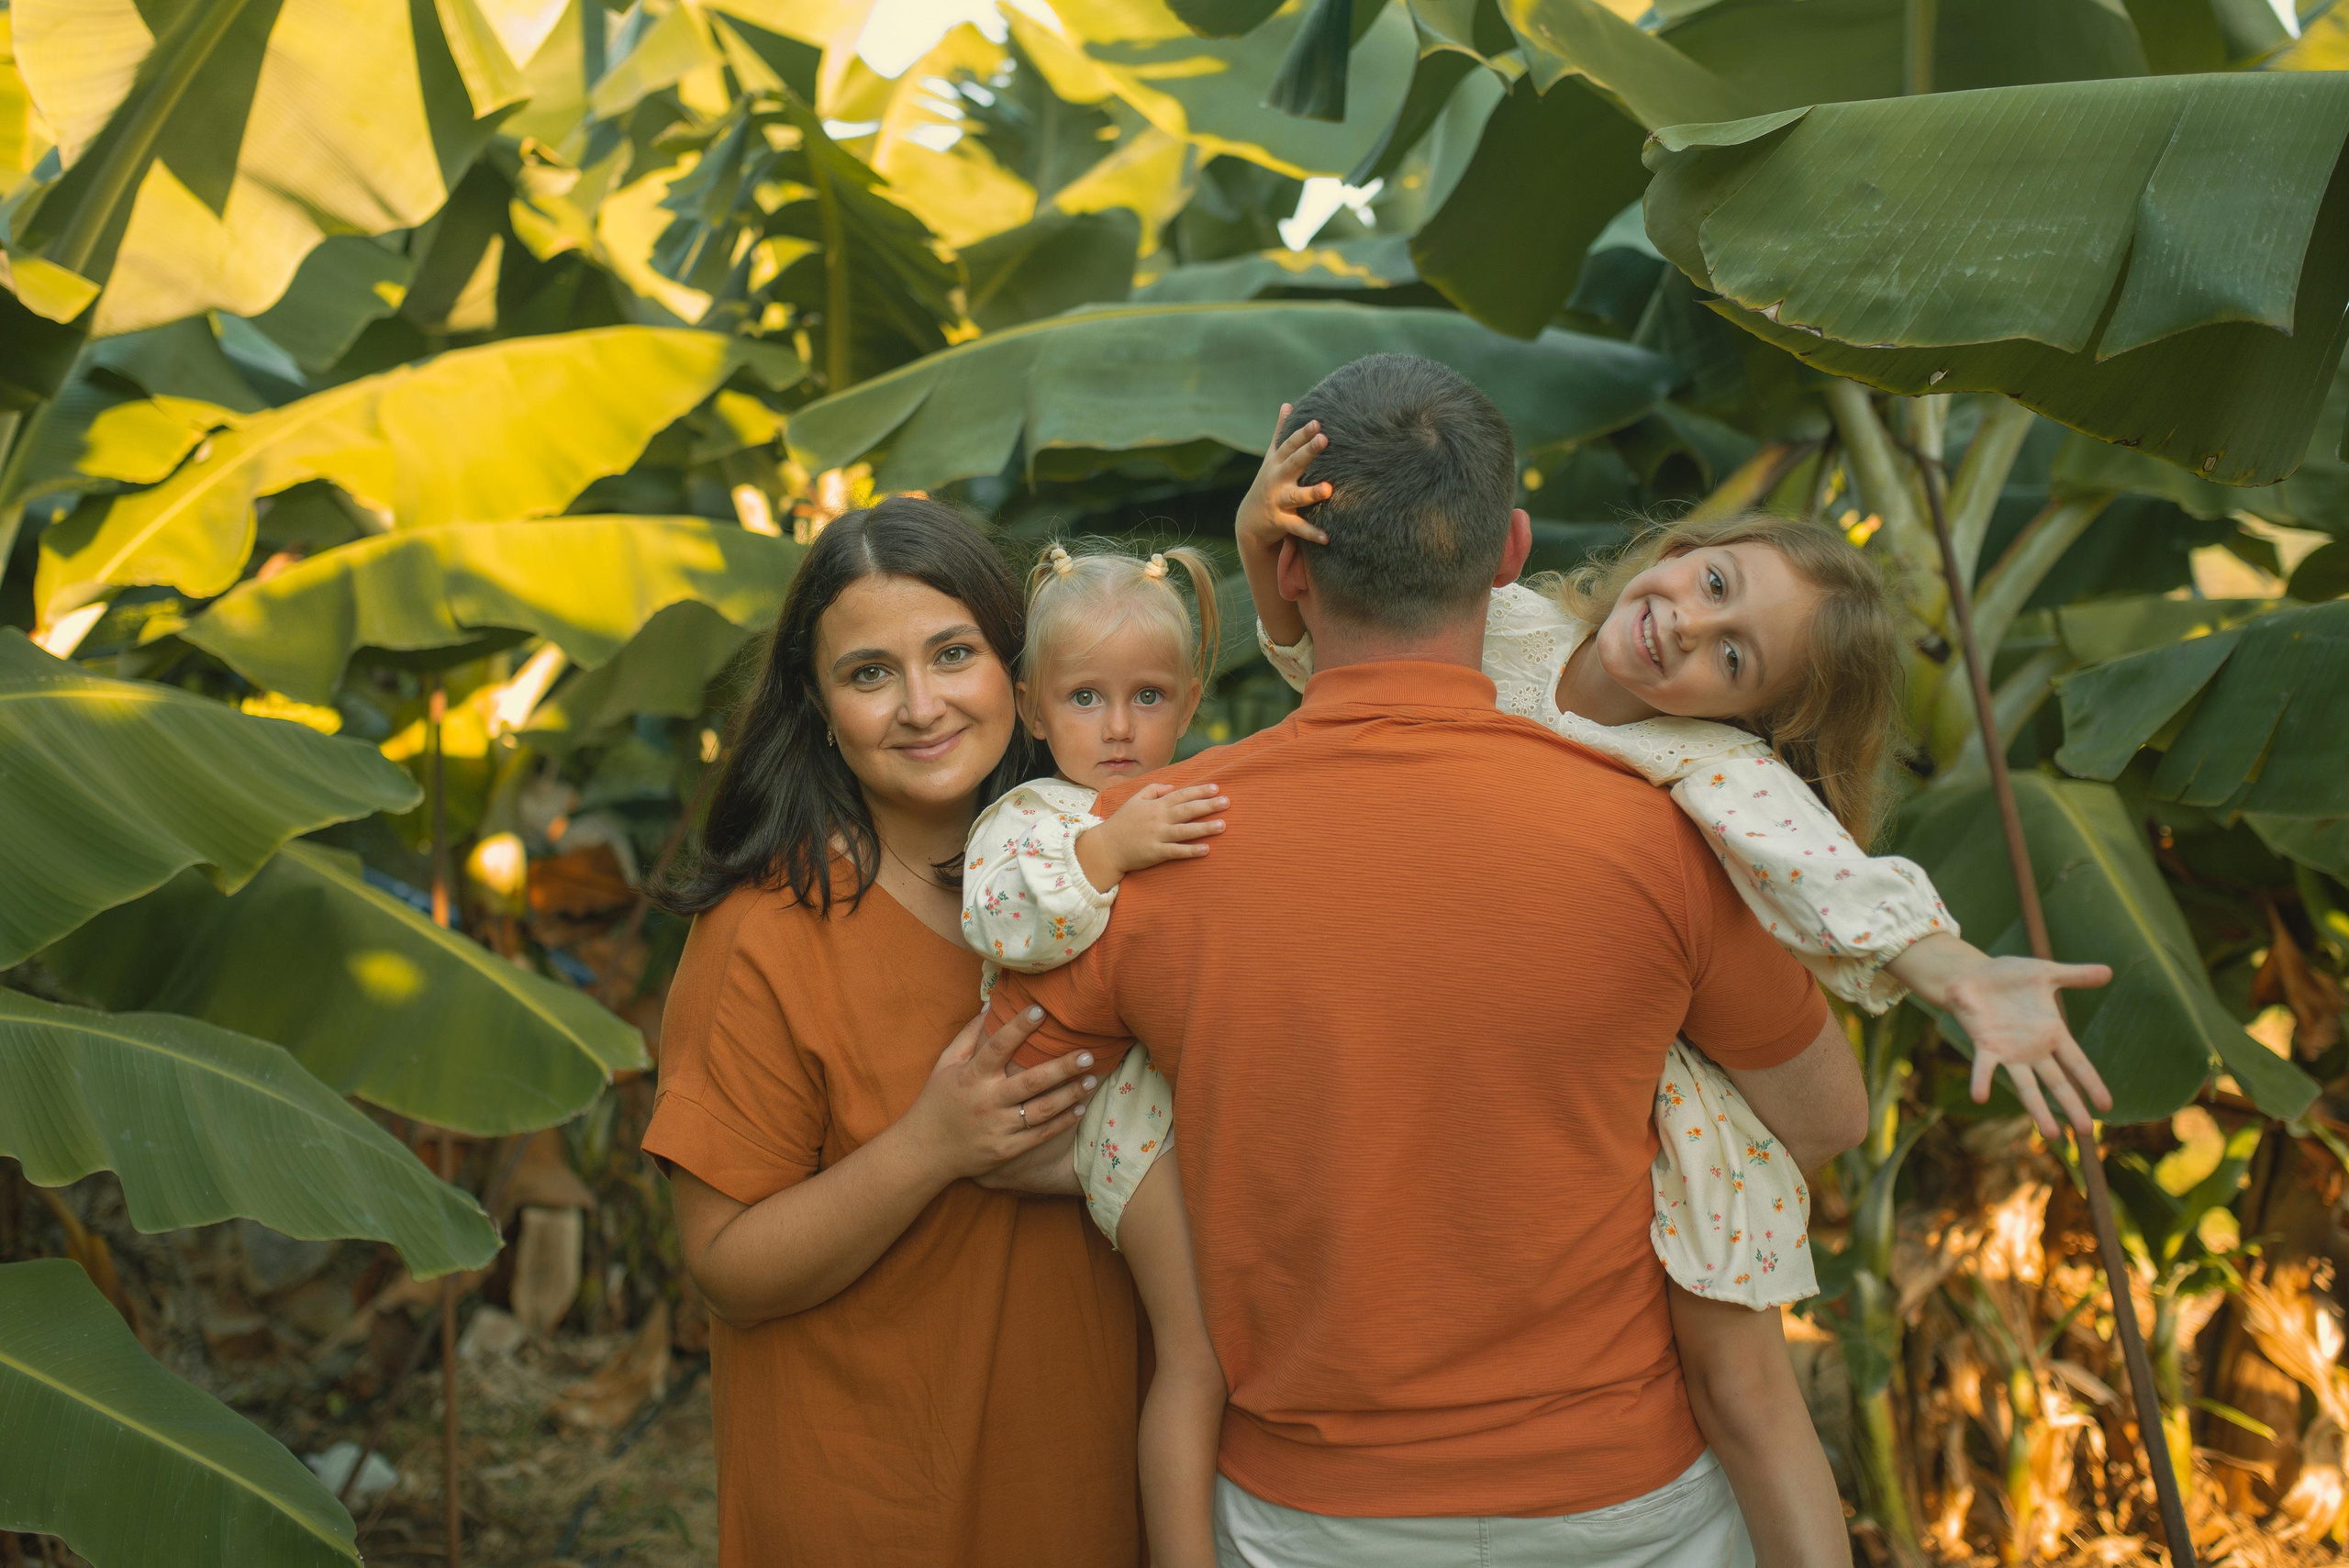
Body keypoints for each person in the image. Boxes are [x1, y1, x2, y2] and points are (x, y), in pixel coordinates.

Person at [987, 353, 1868, 1566]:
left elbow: (1016, 1121)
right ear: (1508, 553)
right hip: (1622, 1507)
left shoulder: (1145, 845)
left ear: (1288, 567)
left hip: (1312, 1514)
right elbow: (1824, 1115)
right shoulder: (1660, 836)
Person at [642, 496, 1141, 1568]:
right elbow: (724, 1262)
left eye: (952, 653)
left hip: (1092, 1491)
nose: (921, 704)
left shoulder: (1112, 875)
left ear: (1019, 673)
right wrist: (932, 1146)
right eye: (869, 672)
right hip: (870, 1507)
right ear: (819, 707)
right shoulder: (766, 932)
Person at [960, 539, 1233, 1568]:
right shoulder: (1031, 818)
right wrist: (1103, 852)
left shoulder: (1194, 793)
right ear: (1031, 706)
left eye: (1148, 695)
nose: (1118, 727)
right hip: (1120, 1121)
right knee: (1195, 1352)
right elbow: (1005, 921)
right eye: (1084, 697)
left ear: (1191, 698)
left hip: (1190, 1098)